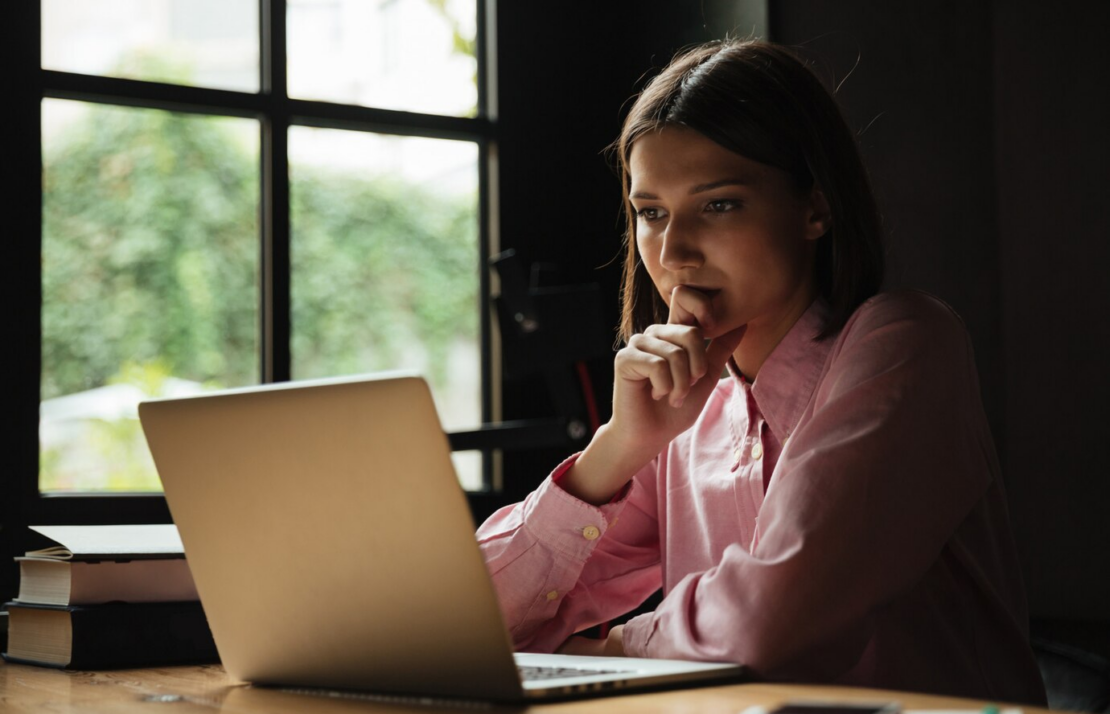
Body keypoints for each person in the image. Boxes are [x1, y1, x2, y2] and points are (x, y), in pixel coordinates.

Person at [476, 39, 1046, 704]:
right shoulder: (689, 413)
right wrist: (619, 448)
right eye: (651, 212)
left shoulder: (904, 343)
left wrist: (611, 652)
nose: (675, 250)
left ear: (815, 206)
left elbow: (772, 621)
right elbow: (477, 623)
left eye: (719, 204)